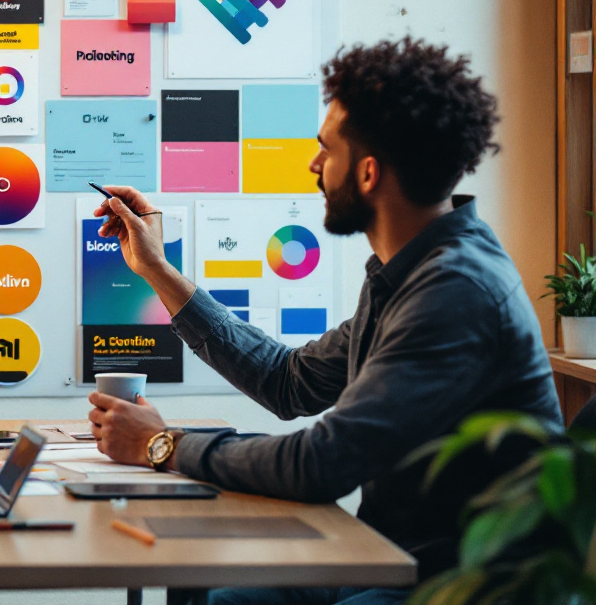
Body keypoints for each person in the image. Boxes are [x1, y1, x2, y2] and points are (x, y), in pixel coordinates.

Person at [87, 38, 562, 605]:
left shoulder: (454, 293)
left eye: (324, 150)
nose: (314, 166)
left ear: (366, 173)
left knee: (210, 595)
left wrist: (163, 444)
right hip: (389, 557)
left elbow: (322, 463)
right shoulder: (408, 272)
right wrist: (158, 270)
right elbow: (290, 382)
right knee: (210, 593)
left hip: (459, 584)